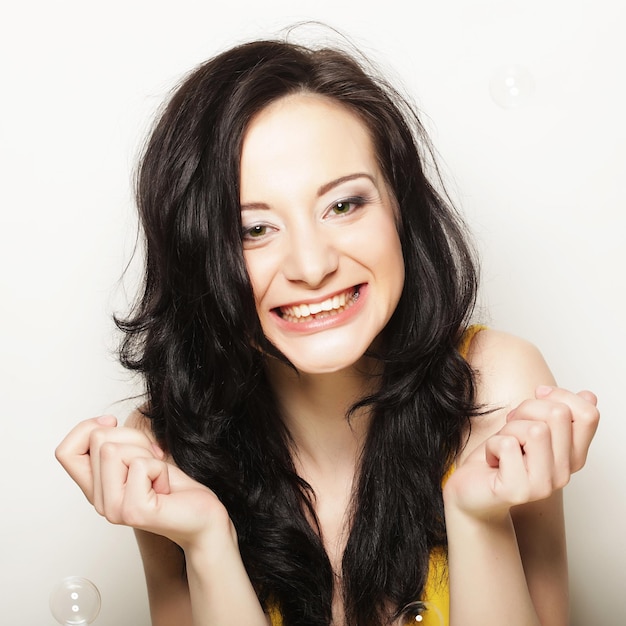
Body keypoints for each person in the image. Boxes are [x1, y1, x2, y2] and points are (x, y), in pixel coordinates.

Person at [56, 36, 599, 626]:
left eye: (343, 206)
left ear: (401, 210)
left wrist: (477, 518)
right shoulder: (167, 449)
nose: (312, 266)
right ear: (201, 256)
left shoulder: (498, 389)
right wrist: (206, 544)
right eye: (254, 229)